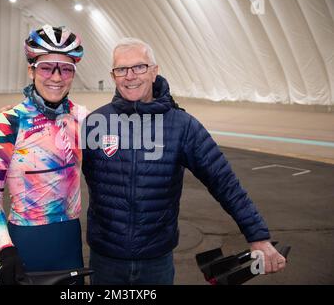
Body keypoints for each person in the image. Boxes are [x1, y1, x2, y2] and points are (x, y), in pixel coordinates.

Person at [81, 37, 286, 285]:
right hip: (106, 261)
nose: (130, 75)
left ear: (154, 71)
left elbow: (224, 182)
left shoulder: (183, 126)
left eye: (139, 67)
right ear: (113, 76)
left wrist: (258, 236)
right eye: (121, 69)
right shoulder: (95, 123)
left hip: (156, 261)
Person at [0, 24, 86, 285]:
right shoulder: (7, 122)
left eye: (66, 68)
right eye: (47, 67)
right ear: (31, 70)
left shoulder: (82, 118)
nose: (57, 77)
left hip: (69, 245)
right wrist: (5, 250)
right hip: (22, 247)